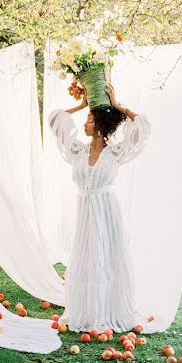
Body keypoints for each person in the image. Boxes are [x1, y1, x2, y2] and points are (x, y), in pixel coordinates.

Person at [48, 82, 151, 333]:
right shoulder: (77, 152)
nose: (84, 124)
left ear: (101, 126)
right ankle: (88, 311)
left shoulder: (116, 153)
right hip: (85, 213)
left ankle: (109, 311)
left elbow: (143, 127)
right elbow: (55, 120)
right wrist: (83, 105)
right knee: (88, 258)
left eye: (90, 120)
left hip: (106, 212)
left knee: (107, 258)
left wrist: (117, 107)